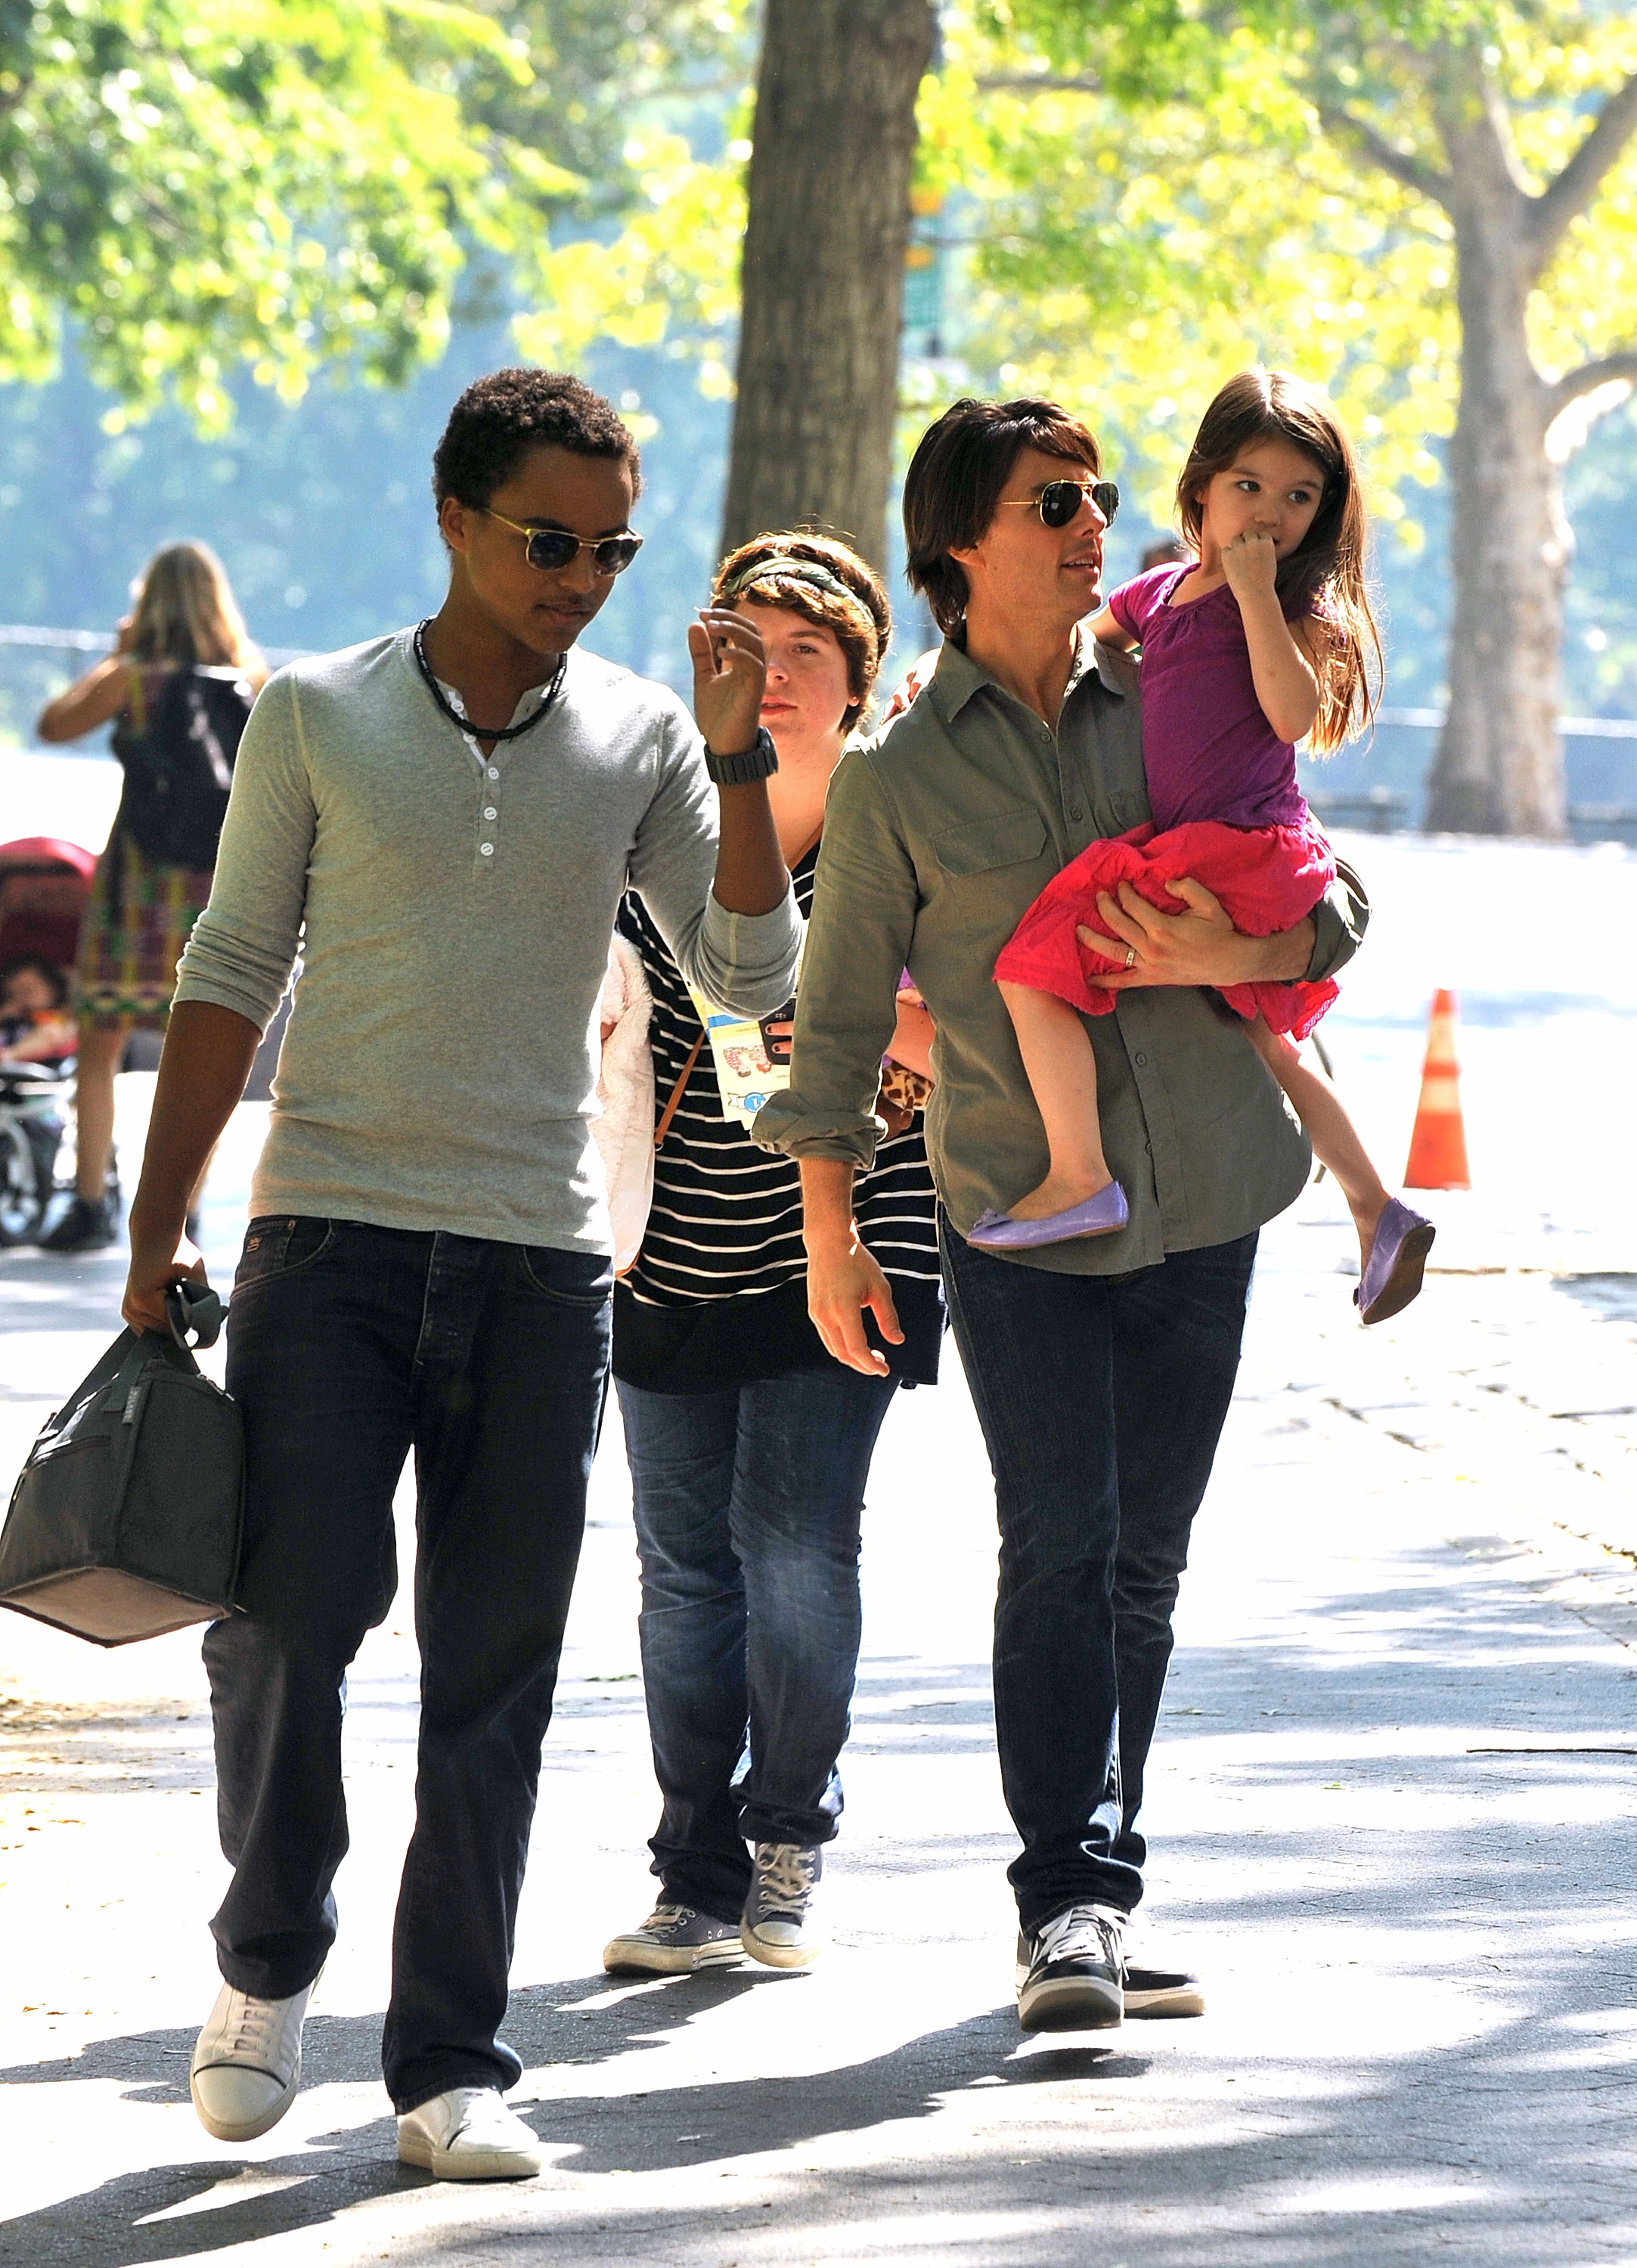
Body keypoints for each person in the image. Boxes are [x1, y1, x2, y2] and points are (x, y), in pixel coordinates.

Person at [119, 368, 801, 2180]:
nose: (580, 575)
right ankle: (265, 1959)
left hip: (536, 1266)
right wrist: (156, 1216)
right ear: (455, 517)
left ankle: (446, 2065)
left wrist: (737, 752)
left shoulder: (650, 734)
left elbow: (744, 972)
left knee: (491, 1667)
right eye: (546, 540)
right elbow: (230, 958)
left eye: (611, 548)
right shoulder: (318, 711)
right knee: (287, 1620)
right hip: (325, 1240)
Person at [755, 395, 1371, 2034]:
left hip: (1211, 1191)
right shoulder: (890, 777)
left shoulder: (1166, 677)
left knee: (1143, 1561)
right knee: (1061, 1540)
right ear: (960, 541)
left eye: (1097, 493)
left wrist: (1248, 956)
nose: (1092, 519)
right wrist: (827, 1233)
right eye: (1051, 502)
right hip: (1015, 1220)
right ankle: (1068, 1900)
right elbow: (825, 1038)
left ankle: (1099, 1884)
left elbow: (1323, 887)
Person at [600, 535, 941, 1981]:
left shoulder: (899, 823)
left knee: (794, 1549)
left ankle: (787, 1838)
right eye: (749, 643)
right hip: (667, 1238)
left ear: (860, 684)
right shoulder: (653, 819)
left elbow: (970, 1023)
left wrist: (852, 1023)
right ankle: (693, 1871)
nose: (778, 673)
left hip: (856, 1233)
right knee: (683, 1571)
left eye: (811, 651)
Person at [981, 370, 1433, 1327]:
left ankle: (1078, 1175)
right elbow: (1070, 648)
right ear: (1197, 491)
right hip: (1222, 855)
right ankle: (1374, 1205)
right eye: (1248, 488)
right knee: (1270, 1036)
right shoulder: (1158, 592)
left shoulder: (1290, 610)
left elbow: (1290, 713)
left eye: (1297, 497)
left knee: (1030, 967)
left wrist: (1258, 594)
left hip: (1234, 854)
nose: (1268, 514)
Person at [34, 542, 265, 1252]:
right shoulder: (250, 682)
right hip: (213, 886)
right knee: (198, 1050)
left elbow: (52, 726)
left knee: (100, 1044)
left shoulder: (133, 679)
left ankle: (90, 1202)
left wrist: (117, 654)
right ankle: (184, 1208)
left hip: (134, 884)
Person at [0, 956, 76, 1065]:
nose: (22, 997)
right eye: (14, 992)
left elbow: (50, 1035)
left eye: (28, 990)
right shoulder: (11, 1018)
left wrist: (10, 1055)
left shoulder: (60, 1019)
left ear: (52, 988)